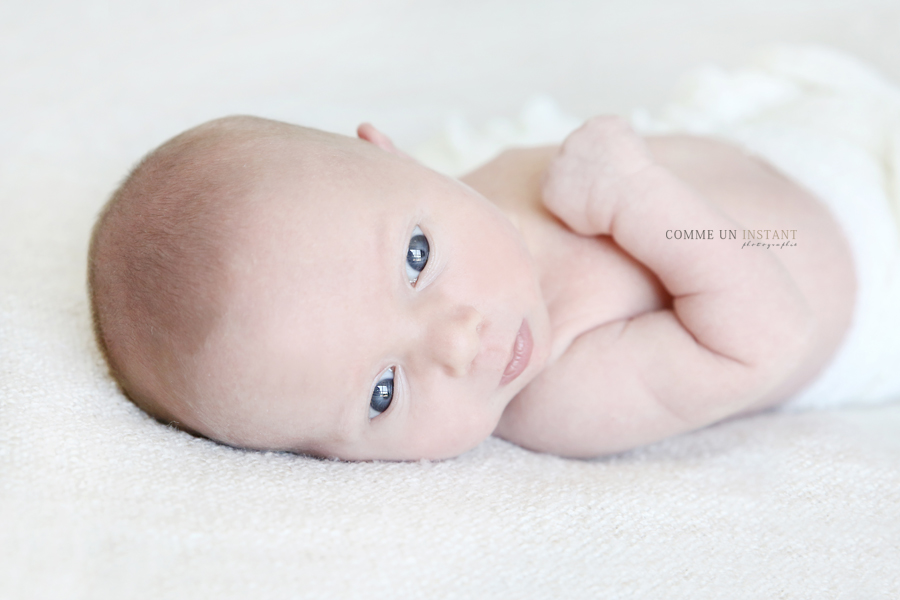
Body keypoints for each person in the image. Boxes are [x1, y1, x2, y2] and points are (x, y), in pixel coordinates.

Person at [88, 110, 857, 461]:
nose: (458, 343)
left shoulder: (471, 187)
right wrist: (639, 200)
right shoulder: (559, 390)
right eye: (383, 392)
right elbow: (771, 336)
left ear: (393, 154)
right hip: (870, 262)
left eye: (417, 258)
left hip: (791, 136)